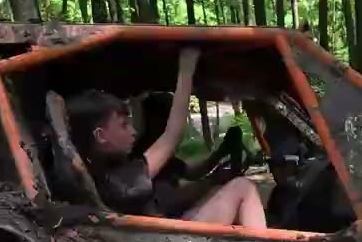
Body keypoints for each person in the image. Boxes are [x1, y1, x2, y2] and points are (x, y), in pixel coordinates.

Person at [64, 47, 267, 229]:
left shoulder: (104, 172)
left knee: (219, 190)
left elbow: (186, 171)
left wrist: (219, 160)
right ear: (101, 136)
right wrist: (186, 69)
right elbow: (171, 136)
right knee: (244, 187)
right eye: (124, 125)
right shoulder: (119, 180)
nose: (133, 131)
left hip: (166, 232)